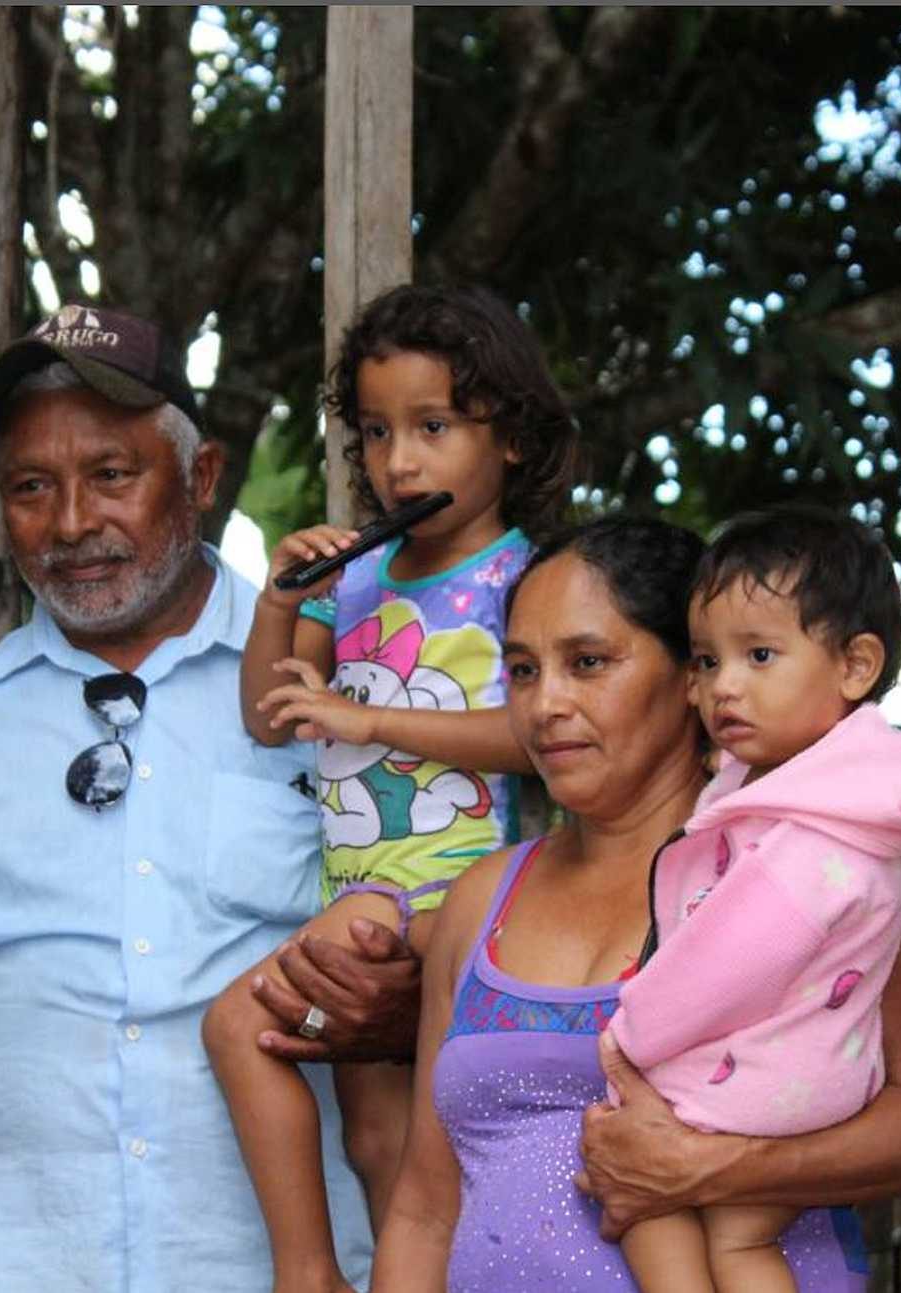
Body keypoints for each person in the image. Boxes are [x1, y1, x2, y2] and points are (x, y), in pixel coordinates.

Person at [0, 302, 392, 1293]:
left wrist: (397, 1007)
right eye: (32, 487)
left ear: (200, 478)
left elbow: (452, 927)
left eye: (111, 476)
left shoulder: (338, 685)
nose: (72, 524)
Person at [371, 516, 901, 1292]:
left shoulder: (803, 869)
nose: (545, 703)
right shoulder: (483, 900)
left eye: (588, 662)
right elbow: (425, 1209)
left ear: (688, 678)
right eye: (523, 671)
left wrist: (711, 1168)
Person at [203, 284, 577, 1293]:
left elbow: (533, 737)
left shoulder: (526, 579)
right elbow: (266, 713)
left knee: (238, 1025)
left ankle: (306, 1275)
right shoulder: (357, 575)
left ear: (509, 440)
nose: (397, 463)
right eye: (374, 433)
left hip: (451, 892)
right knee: (382, 1144)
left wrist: (370, 721)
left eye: (431, 427)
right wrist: (282, 603)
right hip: (357, 888)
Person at [603, 506, 901, 1292]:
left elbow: (729, 959)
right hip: (809, 1072)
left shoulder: (814, 832)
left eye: (759, 654)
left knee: (652, 1200)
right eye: (705, 661)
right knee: (727, 1235)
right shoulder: (832, 796)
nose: (722, 686)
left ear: (856, 666)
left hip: (767, 1084)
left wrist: (627, 1034)